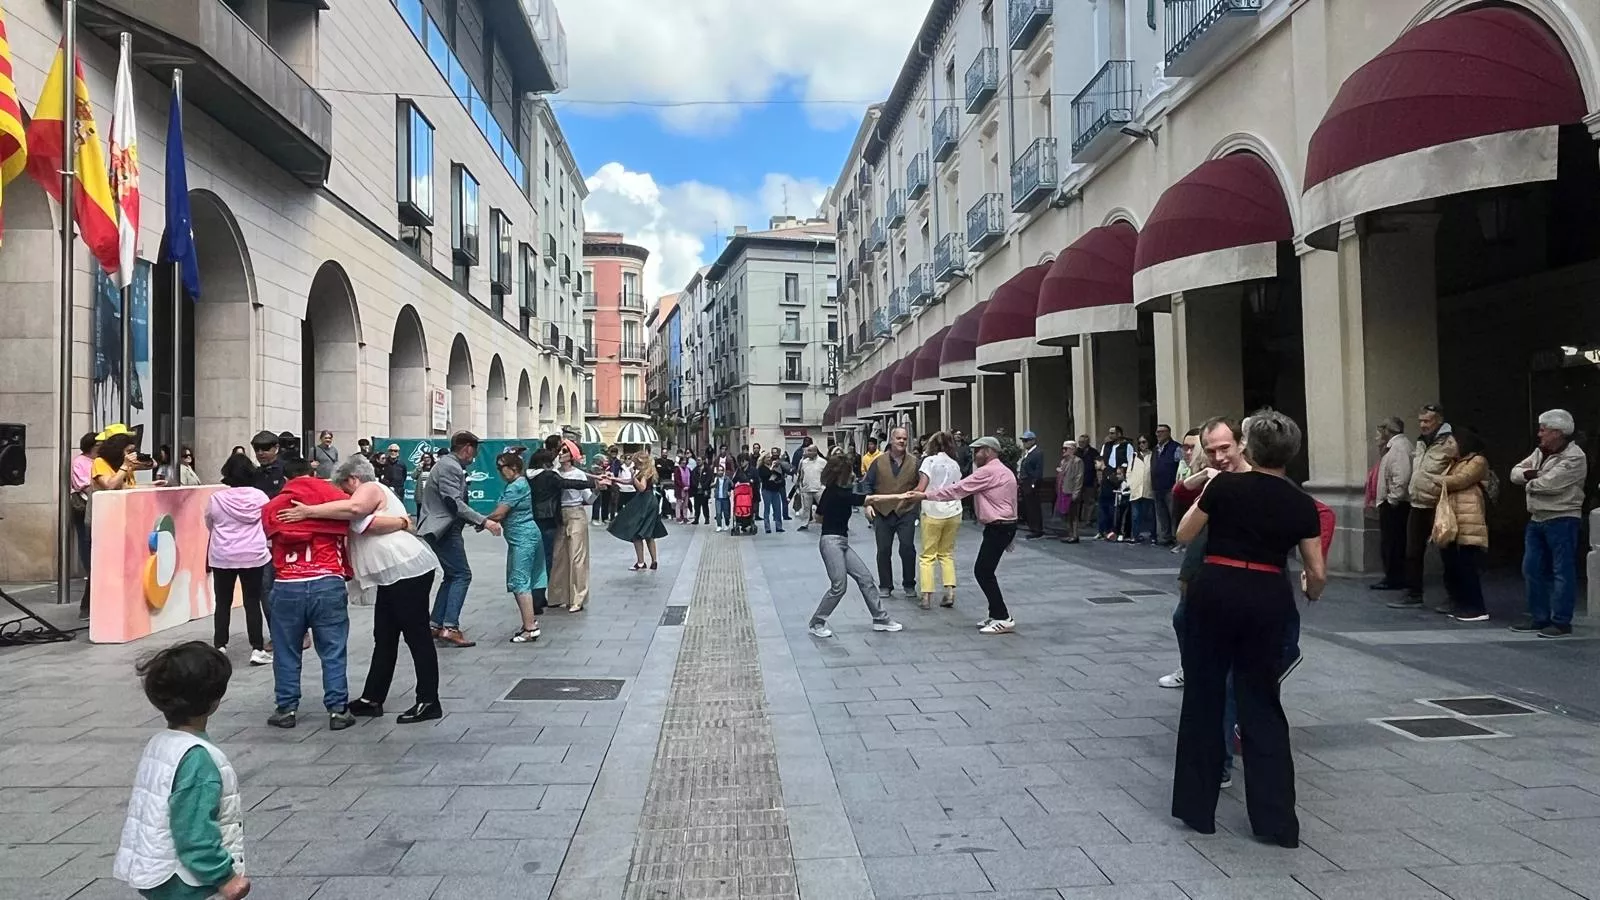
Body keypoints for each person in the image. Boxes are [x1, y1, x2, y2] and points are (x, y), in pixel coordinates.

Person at [1170, 410, 1325, 849]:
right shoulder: (1300, 502)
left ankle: (1198, 810)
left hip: (1216, 588)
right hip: (1266, 594)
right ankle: (1276, 822)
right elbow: (1316, 572)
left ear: (1249, 449)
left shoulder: (1225, 486)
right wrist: (1309, 590)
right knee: (1261, 701)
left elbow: (1184, 533)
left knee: (1204, 695)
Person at [277, 454, 442, 723]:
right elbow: (369, 523)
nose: (341, 495)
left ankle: (428, 700)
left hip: (405, 569)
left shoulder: (369, 488)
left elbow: (356, 512)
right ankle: (372, 698)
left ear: (353, 479)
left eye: (343, 487)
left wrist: (308, 511)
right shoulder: (367, 497)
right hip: (393, 574)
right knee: (385, 636)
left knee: (417, 635)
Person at [112, 641, 249, 900]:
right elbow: (194, 833)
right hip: (183, 879)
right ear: (214, 701)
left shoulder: (160, 744)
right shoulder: (198, 759)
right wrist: (226, 877)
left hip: (156, 868)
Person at [261, 457, 356, 730]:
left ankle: (286, 709)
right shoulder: (333, 501)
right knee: (333, 649)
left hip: (287, 583)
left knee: (286, 650)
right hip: (327, 580)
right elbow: (356, 515)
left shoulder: (274, 507)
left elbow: (269, 532)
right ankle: (338, 710)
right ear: (311, 472)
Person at [903, 436, 1018, 634]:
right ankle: (995, 613)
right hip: (1003, 525)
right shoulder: (1004, 471)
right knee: (982, 569)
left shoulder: (988, 472)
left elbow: (959, 489)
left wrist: (925, 495)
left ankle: (1003, 617)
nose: (974, 455)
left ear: (988, 451)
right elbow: (1012, 502)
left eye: (978, 451)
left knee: (983, 572)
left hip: (999, 526)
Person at [805, 454, 904, 638]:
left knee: (865, 578)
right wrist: (901, 495)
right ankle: (816, 622)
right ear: (842, 473)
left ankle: (880, 619)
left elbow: (819, 517)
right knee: (839, 586)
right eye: (849, 470)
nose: (852, 474)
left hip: (840, 542)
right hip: (831, 543)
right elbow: (872, 499)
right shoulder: (839, 493)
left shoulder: (831, 492)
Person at [417, 431, 501, 648]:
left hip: (441, 527)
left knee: (452, 575)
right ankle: (450, 627)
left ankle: (436, 624)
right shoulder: (450, 467)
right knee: (462, 575)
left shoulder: (449, 465)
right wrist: (484, 522)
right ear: (467, 448)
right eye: (474, 451)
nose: (474, 457)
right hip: (443, 528)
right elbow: (453, 502)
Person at [1510, 409, 1588, 638]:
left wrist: (1530, 478)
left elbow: (1551, 485)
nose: (1539, 434)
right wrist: (1535, 475)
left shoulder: (1575, 457)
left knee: (1561, 571)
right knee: (1531, 568)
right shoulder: (1540, 452)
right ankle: (1539, 617)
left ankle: (1562, 621)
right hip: (1537, 518)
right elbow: (1514, 472)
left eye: (1543, 430)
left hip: (1563, 518)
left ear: (1557, 432)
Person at [206, 455, 271, 666]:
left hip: (223, 554)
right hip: (254, 554)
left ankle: (220, 646)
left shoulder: (217, 498)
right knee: (252, 601)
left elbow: (210, 523)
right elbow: (267, 522)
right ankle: (257, 648)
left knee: (222, 602)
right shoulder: (261, 497)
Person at [1391, 405, 1457, 611]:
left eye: (1427, 421)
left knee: (1448, 552)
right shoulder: (1421, 442)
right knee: (1412, 551)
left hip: (1439, 504)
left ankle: (1453, 597)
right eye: (1420, 421)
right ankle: (1413, 593)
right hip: (1418, 503)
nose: (1423, 425)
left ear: (1439, 420)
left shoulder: (1451, 442)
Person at [1428, 428, 1492, 623]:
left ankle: (1476, 607)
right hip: (1455, 520)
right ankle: (1461, 603)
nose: (1448, 447)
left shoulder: (1477, 461)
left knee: (1468, 566)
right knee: (1453, 566)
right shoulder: (1455, 463)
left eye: (1451, 443)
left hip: (1470, 521)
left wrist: (1436, 479)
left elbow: (1461, 481)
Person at [485, 452, 547, 643]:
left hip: (523, 538)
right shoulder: (517, 484)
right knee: (523, 580)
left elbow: (500, 513)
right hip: (525, 536)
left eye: (501, 467)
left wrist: (480, 521)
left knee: (520, 581)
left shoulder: (516, 486)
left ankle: (529, 628)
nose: (500, 472)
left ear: (513, 468)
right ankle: (529, 622)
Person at [862, 427, 921, 599]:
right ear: (891, 440)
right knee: (883, 549)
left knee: (907, 548)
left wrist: (916, 508)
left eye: (904, 438)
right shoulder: (878, 462)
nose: (902, 441)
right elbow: (867, 485)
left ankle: (909, 584)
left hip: (906, 511)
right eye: (898, 438)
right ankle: (885, 585)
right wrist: (868, 504)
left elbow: (921, 486)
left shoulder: (915, 462)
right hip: (882, 512)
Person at [551, 445, 603, 612]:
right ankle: (559, 595)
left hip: (575, 513)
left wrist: (597, 491)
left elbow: (588, 499)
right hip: (559, 515)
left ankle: (578, 598)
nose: (560, 454)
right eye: (560, 450)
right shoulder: (554, 473)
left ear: (572, 455)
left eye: (564, 451)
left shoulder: (579, 474)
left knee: (577, 556)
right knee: (559, 556)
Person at [914, 432, 963, 610]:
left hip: (932, 510)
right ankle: (950, 592)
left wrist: (908, 498)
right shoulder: (955, 464)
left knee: (927, 556)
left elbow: (922, 487)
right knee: (946, 554)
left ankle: (926, 596)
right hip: (954, 510)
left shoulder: (929, 461)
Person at [1371, 417, 1412, 591]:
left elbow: (1401, 477)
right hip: (1394, 502)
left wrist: (1392, 499)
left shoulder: (1399, 448)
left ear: (1388, 431)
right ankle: (1393, 576)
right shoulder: (1396, 447)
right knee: (1392, 541)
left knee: (1393, 542)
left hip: (1396, 504)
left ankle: (1395, 577)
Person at [609, 451, 668, 570]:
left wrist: (632, 475)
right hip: (650, 501)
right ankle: (654, 561)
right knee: (649, 533)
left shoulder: (644, 473)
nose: (633, 463)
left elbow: (641, 487)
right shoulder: (648, 471)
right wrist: (614, 479)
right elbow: (630, 482)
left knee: (636, 531)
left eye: (635, 461)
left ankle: (641, 562)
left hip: (644, 501)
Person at [527, 447, 565, 608]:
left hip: (532, 518)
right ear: (545, 463)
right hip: (548, 518)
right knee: (547, 559)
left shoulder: (527, 476)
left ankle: (534, 594)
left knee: (534, 558)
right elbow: (569, 483)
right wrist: (594, 482)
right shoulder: (549, 476)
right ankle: (539, 596)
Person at [1097, 426, 1133, 539]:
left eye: (1112, 433)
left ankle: (1117, 531)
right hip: (1106, 477)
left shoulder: (1127, 446)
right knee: (1104, 506)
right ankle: (1104, 530)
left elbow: (1130, 462)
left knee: (1117, 507)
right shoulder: (1106, 446)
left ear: (1119, 434)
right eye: (1109, 433)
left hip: (1119, 479)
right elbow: (1101, 461)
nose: (1110, 435)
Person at [1016, 430, 1045, 539]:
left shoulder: (1037, 453)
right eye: (1023, 441)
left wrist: (1034, 484)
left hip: (1031, 483)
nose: (1024, 443)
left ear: (1033, 441)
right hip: (1025, 483)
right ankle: (1032, 527)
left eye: (1026, 440)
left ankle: (1037, 529)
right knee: (1028, 507)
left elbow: (1038, 471)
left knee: (1033, 507)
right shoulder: (1028, 453)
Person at [1128, 435, 1155, 543]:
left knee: (1150, 515)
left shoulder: (1153, 455)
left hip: (1148, 488)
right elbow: (1129, 471)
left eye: (1144, 442)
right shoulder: (1134, 456)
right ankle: (1135, 535)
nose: (1142, 445)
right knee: (1135, 515)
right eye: (1139, 443)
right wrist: (1130, 483)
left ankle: (1153, 536)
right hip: (1136, 489)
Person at [1056, 440, 1084, 544]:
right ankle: (1070, 534)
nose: (1063, 451)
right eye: (1063, 448)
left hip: (1071, 490)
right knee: (1066, 514)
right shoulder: (1063, 461)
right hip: (1063, 490)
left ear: (1072, 450)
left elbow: (1079, 477)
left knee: (1073, 514)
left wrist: (1076, 492)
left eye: (1066, 448)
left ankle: (1075, 535)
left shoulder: (1077, 461)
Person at [795, 443, 826, 531]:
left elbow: (827, 475)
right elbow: (801, 474)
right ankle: (804, 524)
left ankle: (826, 522)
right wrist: (800, 484)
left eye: (809, 451)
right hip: (807, 488)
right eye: (807, 450)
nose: (807, 452)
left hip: (819, 488)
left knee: (824, 507)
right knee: (806, 508)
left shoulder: (822, 462)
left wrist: (824, 486)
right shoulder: (804, 462)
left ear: (815, 452)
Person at [250, 431, 286, 499]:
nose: (260, 453)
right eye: (256, 449)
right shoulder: (255, 473)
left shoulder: (287, 470)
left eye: (265, 448)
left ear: (276, 448)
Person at [759, 448, 788, 533]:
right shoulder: (762, 468)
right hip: (766, 490)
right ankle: (767, 527)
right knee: (767, 509)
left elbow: (779, 475)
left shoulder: (775, 466)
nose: (769, 459)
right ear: (764, 459)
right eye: (767, 458)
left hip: (775, 490)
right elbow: (765, 476)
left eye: (769, 457)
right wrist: (771, 469)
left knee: (777, 508)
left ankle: (779, 526)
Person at [691, 457, 714, 525]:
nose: (698, 462)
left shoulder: (707, 469)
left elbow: (709, 479)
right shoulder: (695, 470)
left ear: (703, 461)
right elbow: (692, 479)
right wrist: (696, 485)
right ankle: (696, 519)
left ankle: (707, 518)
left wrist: (704, 486)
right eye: (697, 460)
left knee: (705, 505)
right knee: (696, 506)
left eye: (699, 460)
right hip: (696, 491)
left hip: (704, 490)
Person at [714, 460, 734, 532]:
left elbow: (732, 485)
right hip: (718, 498)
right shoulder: (716, 479)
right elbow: (711, 485)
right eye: (718, 471)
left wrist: (729, 491)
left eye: (721, 470)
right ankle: (719, 525)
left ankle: (727, 524)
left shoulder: (727, 478)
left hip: (725, 498)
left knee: (726, 513)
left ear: (723, 471)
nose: (720, 472)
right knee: (718, 512)